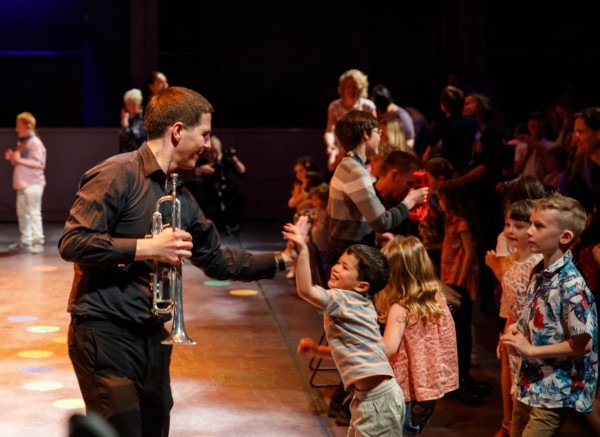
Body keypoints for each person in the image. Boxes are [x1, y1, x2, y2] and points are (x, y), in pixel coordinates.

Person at [58, 86, 302, 437]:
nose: (207, 144)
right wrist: (149, 247)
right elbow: (74, 242)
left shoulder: (180, 196)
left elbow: (218, 260)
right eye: (204, 134)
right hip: (104, 331)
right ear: (177, 131)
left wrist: (282, 260)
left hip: (153, 336)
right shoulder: (116, 174)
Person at [283, 222, 405, 436]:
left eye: (345, 267)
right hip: (375, 398)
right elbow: (357, 351)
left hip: (376, 401)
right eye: (338, 263)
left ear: (362, 285)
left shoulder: (343, 299)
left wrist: (302, 251)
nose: (336, 268)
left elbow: (305, 290)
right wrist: (318, 351)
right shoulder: (363, 302)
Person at [501, 193, 598, 437]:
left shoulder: (573, 286)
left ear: (565, 237)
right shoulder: (539, 272)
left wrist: (531, 350)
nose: (529, 231)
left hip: (555, 390)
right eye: (531, 223)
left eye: (539, 226)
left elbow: (584, 343)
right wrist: (515, 332)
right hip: (528, 382)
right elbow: (533, 318)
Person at [376, 236, 459, 435]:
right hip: (428, 390)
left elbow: (388, 348)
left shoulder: (401, 307)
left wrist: (358, 345)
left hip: (403, 391)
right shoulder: (436, 297)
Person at [326, 110, 428, 270]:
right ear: (366, 135)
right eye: (378, 132)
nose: (380, 137)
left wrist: (375, 234)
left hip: (346, 255)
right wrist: (410, 201)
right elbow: (382, 222)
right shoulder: (355, 171)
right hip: (350, 262)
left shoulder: (348, 166)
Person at [485, 200, 542, 437]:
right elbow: (510, 305)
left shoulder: (537, 265)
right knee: (515, 395)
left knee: (531, 401)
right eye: (508, 224)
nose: (510, 230)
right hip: (513, 335)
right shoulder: (508, 261)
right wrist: (505, 334)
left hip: (532, 337)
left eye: (518, 225)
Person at [438, 179, 488, 405]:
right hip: (450, 284)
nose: (438, 203)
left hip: (459, 286)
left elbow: (469, 253)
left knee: (462, 333)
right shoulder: (450, 222)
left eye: (441, 199)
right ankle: (458, 378)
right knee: (456, 333)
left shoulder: (460, 223)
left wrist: (459, 280)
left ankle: (463, 377)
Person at [4, 111, 46, 254]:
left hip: (33, 183)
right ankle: (25, 240)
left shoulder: (35, 143)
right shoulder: (21, 143)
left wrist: (19, 159)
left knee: (33, 212)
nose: (17, 129)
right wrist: (13, 158)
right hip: (22, 183)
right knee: (22, 213)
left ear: (28, 127)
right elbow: (20, 164)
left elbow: (39, 163)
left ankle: (38, 241)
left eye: (19, 126)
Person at [191, 135, 247, 233]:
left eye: (215, 152)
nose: (213, 155)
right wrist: (203, 169)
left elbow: (242, 171)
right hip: (209, 193)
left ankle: (232, 224)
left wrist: (235, 160)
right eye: (210, 152)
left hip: (226, 190)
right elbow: (195, 172)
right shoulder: (204, 162)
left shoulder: (225, 160)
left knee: (239, 200)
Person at [324, 69, 376, 173]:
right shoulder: (334, 106)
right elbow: (329, 130)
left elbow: (375, 131)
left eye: (355, 87)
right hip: (340, 151)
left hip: (361, 153)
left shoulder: (368, 106)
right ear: (343, 88)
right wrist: (331, 145)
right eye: (348, 86)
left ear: (361, 88)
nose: (351, 90)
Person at [513, 111, 554, 181]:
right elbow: (516, 170)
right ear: (528, 126)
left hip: (542, 185)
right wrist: (528, 151)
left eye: (540, 127)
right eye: (533, 126)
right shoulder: (521, 145)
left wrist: (536, 146)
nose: (536, 130)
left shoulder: (550, 145)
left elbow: (551, 169)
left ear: (544, 128)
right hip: (525, 185)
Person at [119, 88, 147, 153]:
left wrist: (125, 124)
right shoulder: (130, 120)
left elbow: (132, 141)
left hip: (135, 159)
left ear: (137, 105)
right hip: (126, 158)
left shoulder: (142, 121)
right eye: (126, 104)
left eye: (129, 104)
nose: (126, 107)